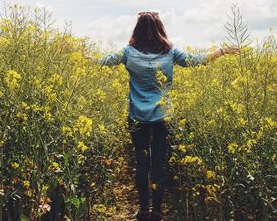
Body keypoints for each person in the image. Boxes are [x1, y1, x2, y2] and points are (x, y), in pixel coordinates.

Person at [91, 11, 240, 221]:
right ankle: (157, 212)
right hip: (163, 117)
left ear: (137, 29)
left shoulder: (128, 52)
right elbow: (196, 61)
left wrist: (82, 57)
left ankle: (143, 210)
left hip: (137, 116)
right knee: (159, 164)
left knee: (142, 163)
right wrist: (222, 51)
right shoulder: (170, 52)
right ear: (160, 28)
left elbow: (102, 62)